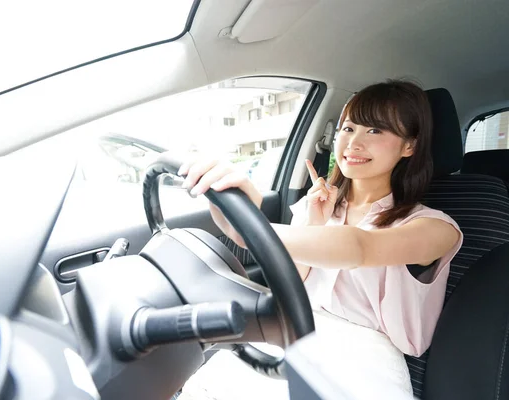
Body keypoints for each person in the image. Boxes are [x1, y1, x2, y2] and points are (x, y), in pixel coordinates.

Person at [173, 80, 463, 399]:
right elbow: (291, 282)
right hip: (292, 332)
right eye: (349, 128)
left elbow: (359, 248)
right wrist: (313, 221)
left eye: (375, 131)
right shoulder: (318, 205)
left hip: (364, 361)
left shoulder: (434, 227)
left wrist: (250, 229)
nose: (353, 142)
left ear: (409, 146)